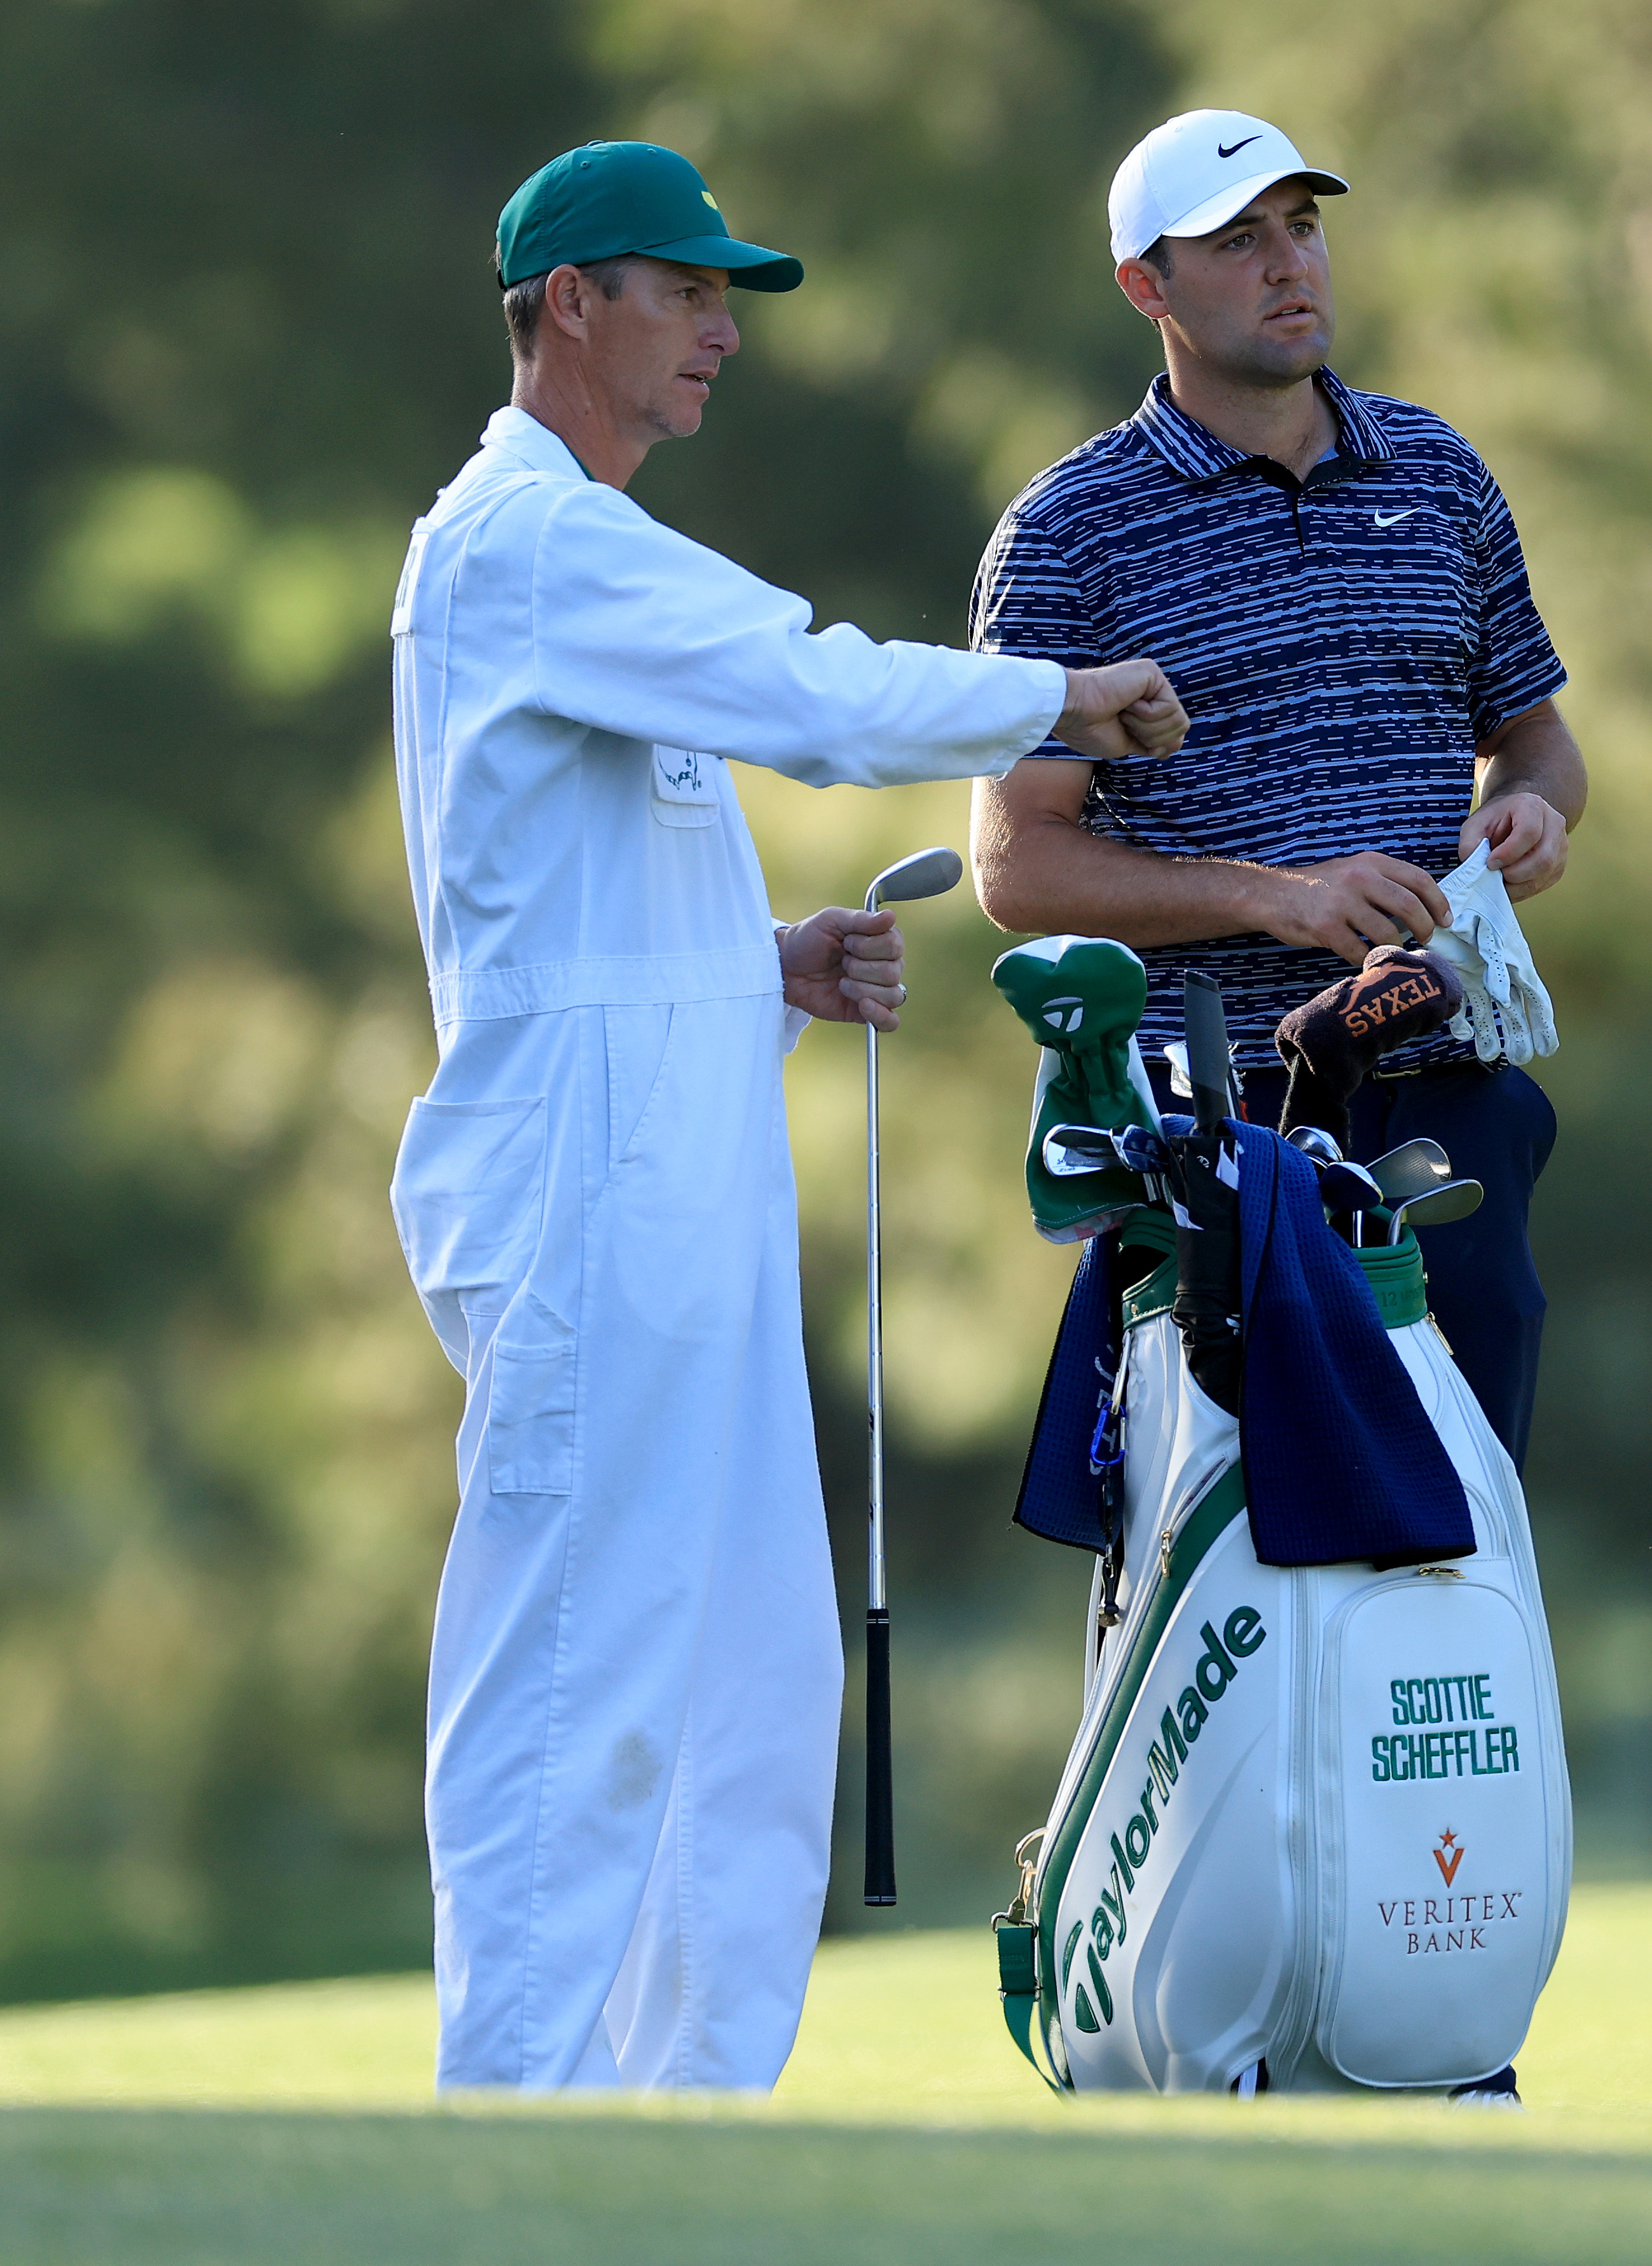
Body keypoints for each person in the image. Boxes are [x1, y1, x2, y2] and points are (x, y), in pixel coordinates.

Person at [387, 139, 1185, 2096]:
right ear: (572, 304)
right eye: (688, 294)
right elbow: (809, 695)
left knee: (748, 1687)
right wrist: (1060, 698)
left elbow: (572, 885)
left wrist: (769, 961)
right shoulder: (530, 544)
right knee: (581, 1679)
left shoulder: (584, 561)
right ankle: (517, 2135)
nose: (720, 337)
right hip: (581, 1180)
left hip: (679, 1165)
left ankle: (688, 2139)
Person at [970, 109, 1587, 1466]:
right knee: (1261, 1531)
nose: (1286, 262)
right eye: (1236, 240)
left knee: (1468, 1513)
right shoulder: (1072, 530)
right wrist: (1283, 899)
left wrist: (1533, 806)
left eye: (1300, 225)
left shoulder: (1437, 472)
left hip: (1446, 1088)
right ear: (1148, 287)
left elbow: (1538, 739)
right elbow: (1018, 868)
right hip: (1214, 1122)